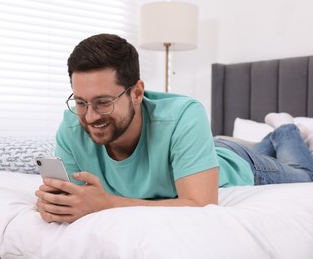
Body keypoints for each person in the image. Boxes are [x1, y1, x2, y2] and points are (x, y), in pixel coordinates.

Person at [35, 34, 313, 223]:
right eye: (81, 102)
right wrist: (52, 205)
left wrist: (106, 203)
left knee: (304, 175)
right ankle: (268, 139)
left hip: (237, 163)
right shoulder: (72, 124)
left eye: (104, 102)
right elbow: (75, 200)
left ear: (137, 92)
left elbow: (201, 204)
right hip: (202, 151)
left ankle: (286, 128)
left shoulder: (185, 114)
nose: (91, 116)